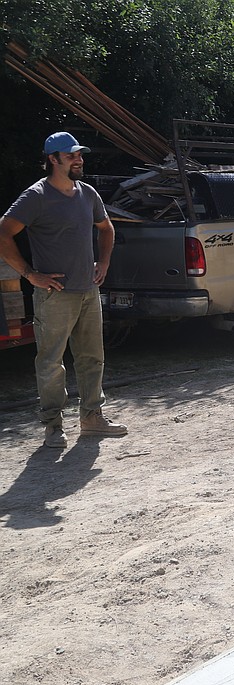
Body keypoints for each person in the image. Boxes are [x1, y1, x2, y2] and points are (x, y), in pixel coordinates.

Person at [0, 131, 127, 448]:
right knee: (51, 363)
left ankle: (92, 418)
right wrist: (30, 274)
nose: (79, 159)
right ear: (53, 159)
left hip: (88, 290)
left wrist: (105, 262)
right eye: (72, 155)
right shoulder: (36, 196)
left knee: (92, 358)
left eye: (79, 155)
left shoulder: (87, 193)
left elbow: (106, 227)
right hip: (54, 295)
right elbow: (3, 232)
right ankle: (53, 427)